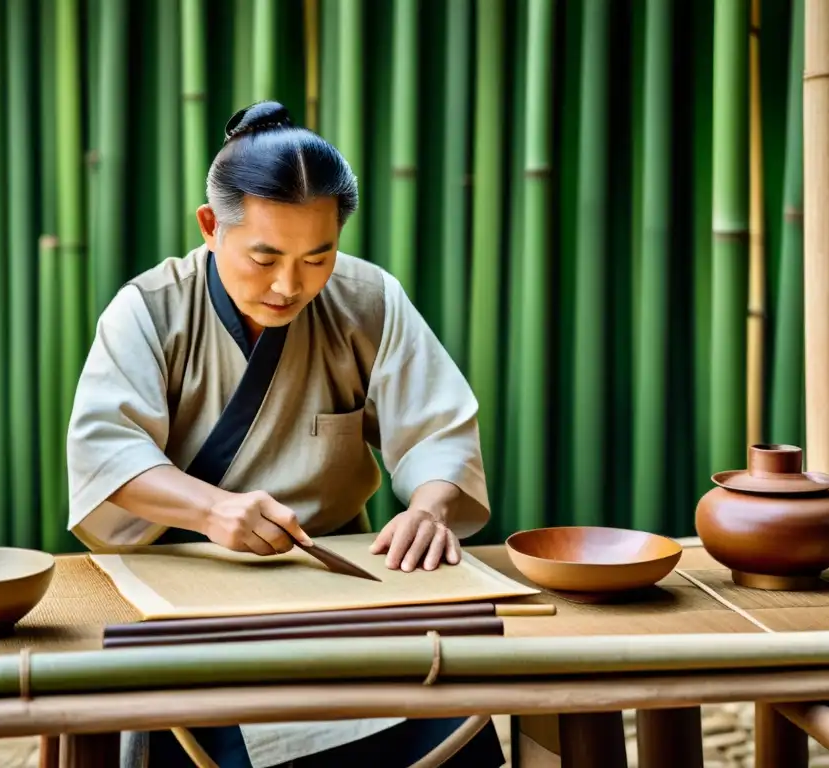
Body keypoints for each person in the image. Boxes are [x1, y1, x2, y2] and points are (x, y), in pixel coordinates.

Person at [66, 101, 504, 768]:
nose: (289, 284)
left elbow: (438, 427)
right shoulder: (150, 309)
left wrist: (429, 506)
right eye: (264, 256)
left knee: (448, 700)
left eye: (318, 256)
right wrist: (213, 509)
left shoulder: (367, 301)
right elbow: (107, 451)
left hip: (337, 584)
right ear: (211, 227)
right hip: (188, 590)